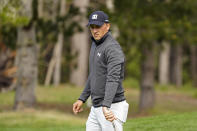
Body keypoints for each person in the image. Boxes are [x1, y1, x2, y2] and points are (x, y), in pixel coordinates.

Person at [73, 11, 129, 131]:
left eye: (98, 26)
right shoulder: (95, 44)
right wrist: (82, 98)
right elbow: (94, 74)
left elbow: (113, 79)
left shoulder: (112, 48)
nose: (94, 30)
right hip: (96, 107)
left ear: (107, 26)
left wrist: (106, 105)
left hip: (111, 107)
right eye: (92, 27)